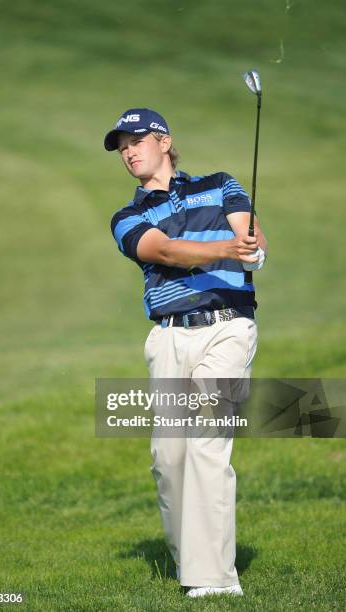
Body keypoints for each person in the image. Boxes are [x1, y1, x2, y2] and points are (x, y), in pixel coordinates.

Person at [104, 108, 268, 598]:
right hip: (170, 337)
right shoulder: (126, 217)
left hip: (228, 329)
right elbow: (164, 252)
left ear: (164, 140)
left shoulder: (220, 185)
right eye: (121, 147)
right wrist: (228, 249)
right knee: (169, 459)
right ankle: (191, 563)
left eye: (135, 140)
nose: (128, 151)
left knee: (206, 442)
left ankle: (215, 579)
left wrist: (253, 246)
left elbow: (247, 230)